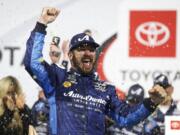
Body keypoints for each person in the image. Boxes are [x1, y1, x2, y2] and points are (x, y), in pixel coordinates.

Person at [24, 7, 167, 135]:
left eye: (91, 49)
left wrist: (151, 102)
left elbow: (126, 118)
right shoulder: (57, 79)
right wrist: (41, 24)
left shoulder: (105, 89)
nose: (87, 53)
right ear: (70, 55)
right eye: (81, 49)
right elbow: (32, 62)